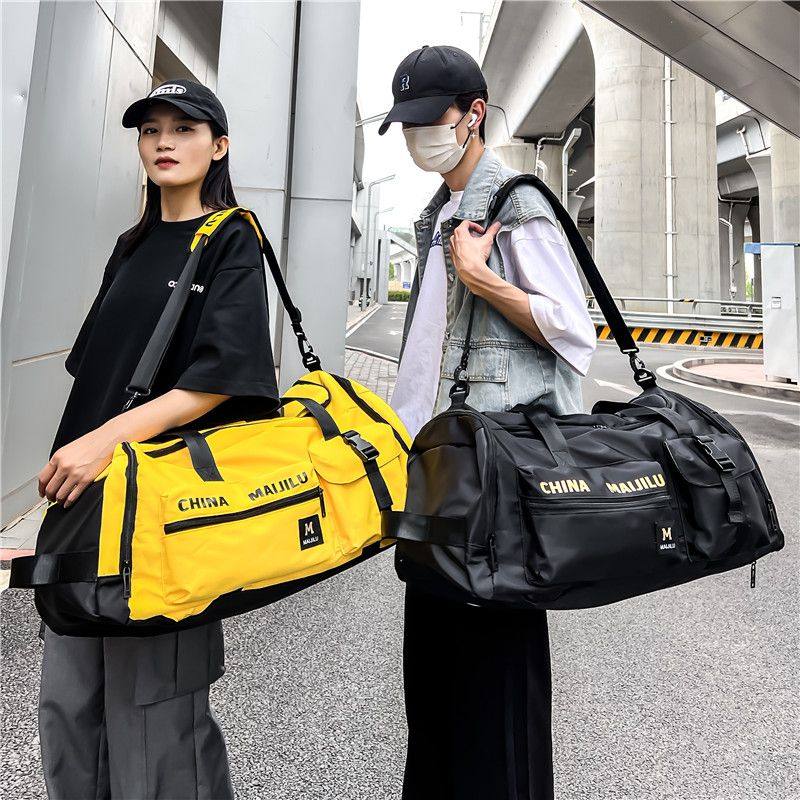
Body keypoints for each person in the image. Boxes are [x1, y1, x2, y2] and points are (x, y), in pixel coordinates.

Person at [36, 78, 280, 800]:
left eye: (184, 129)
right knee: (69, 710)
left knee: (153, 722)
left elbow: (219, 380)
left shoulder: (231, 238)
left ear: (219, 146)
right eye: (151, 131)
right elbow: (96, 371)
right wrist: (76, 463)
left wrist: (104, 443)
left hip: (163, 514)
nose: (164, 142)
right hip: (87, 507)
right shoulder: (131, 244)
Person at [379, 46, 597, 799]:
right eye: (405, 122)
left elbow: (574, 331)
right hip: (440, 475)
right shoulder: (438, 212)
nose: (417, 136)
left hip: (494, 483)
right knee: (434, 685)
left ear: (473, 114)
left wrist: (479, 276)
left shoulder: (517, 204)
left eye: (428, 118)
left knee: (495, 684)